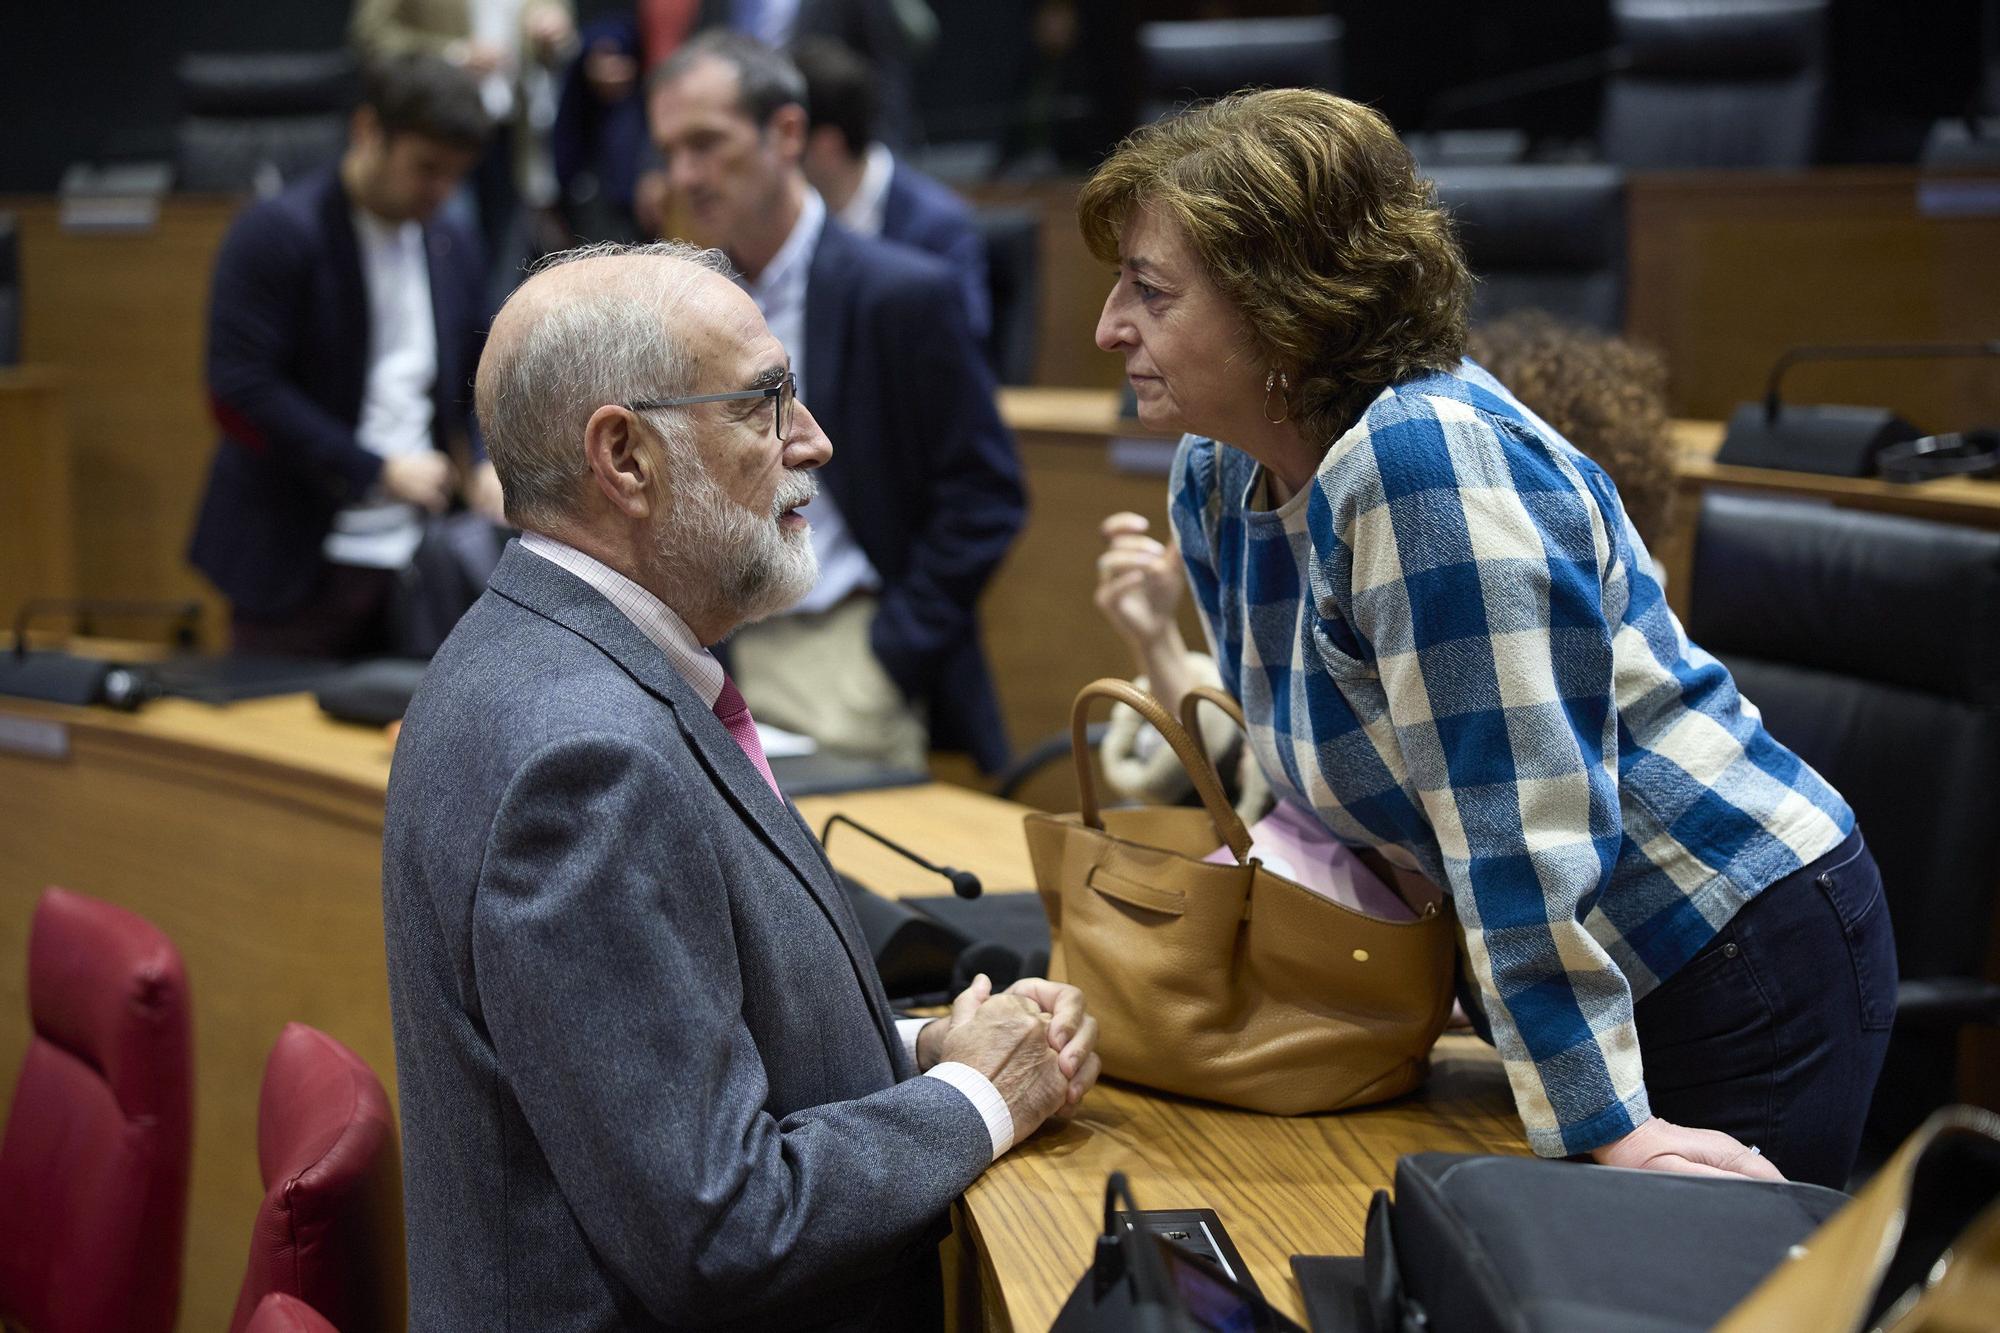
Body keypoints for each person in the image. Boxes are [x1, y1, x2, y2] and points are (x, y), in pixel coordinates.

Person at [1081, 89, 1893, 1190]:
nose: (1105, 328)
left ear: (1282, 306)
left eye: (1148, 290)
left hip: (1722, 950)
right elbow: (1325, 788)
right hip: (1584, 956)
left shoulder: (1423, 467)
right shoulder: (1219, 473)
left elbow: (1516, 820)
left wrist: (1604, 1125)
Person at [382, 240, 1099, 1331]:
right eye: (762, 404)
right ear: (624, 457)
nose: (810, 439)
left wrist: (920, 1049)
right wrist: (981, 1097)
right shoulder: (582, 763)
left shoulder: (539, 654)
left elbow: (677, 1047)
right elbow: (719, 1227)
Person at [1100, 311, 1683, 811]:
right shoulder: (1244, 483)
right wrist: (1157, 642)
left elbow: (1511, 838)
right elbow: (1276, 782)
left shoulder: (1463, 504)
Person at [648, 32, 1025, 772]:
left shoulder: (902, 293)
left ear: (786, 132)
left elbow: (986, 494)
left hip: (843, 645)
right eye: (669, 151)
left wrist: (891, 652)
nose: (683, 175)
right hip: (713, 644)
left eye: (705, 143)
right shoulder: (682, 299)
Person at [189, 54, 502, 659]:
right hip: (293, 554)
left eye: (456, 175)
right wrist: (375, 469)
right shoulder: (277, 232)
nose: (441, 192)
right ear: (368, 132)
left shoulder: (451, 238)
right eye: (425, 168)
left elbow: (477, 366)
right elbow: (240, 388)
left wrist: (487, 458)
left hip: (416, 555)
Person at [351, 0, 578, 288]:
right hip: (432, 133)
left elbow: (555, 43)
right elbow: (371, 37)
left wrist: (554, 35)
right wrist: (455, 55)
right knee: (444, 257)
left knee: (505, 267)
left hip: (510, 135)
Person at [792, 35, 991, 340]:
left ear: (827, 145)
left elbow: (964, 336)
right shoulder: (793, 217)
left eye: (789, 135)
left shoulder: (938, 224)